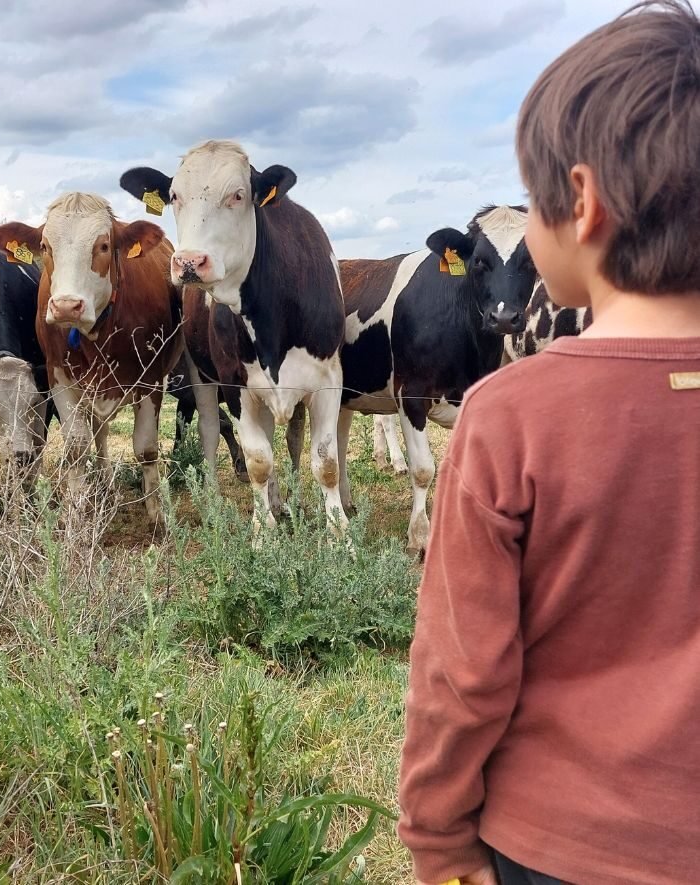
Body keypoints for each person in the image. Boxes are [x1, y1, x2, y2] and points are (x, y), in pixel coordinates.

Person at [397, 2, 700, 883]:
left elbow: (463, 670)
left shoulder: (509, 415)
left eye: (532, 201)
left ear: (583, 203)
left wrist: (441, 839)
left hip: (558, 847)